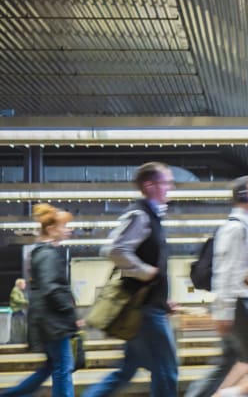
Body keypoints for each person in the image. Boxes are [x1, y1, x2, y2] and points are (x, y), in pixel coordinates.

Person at [84, 162, 178, 397]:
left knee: (126, 371)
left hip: (149, 305)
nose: (171, 187)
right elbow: (114, 250)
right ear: (150, 185)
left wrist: (164, 300)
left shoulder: (153, 216)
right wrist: (145, 271)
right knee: (166, 371)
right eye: (166, 182)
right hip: (143, 309)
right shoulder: (140, 215)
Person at [185, 176, 248, 397]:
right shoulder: (235, 228)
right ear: (243, 196)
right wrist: (223, 312)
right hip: (242, 305)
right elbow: (225, 272)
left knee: (225, 365)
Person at [1, 204, 79, 397]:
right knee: (63, 368)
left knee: (52, 366)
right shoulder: (47, 254)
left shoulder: (42, 252)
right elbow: (51, 288)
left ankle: (11, 395)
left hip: (48, 321)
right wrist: (70, 313)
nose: (68, 230)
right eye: (64, 226)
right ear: (52, 229)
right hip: (54, 322)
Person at [9, 278, 28, 345]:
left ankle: (20, 340)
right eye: (24, 283)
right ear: (20, 284)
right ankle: (17, 341)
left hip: (19, 311)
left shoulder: (19, 291)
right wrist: (26, 302)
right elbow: (16, 299)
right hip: (17, 312)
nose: (25, 285)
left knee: (20, 327)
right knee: (18, 328)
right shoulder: (15, 290)